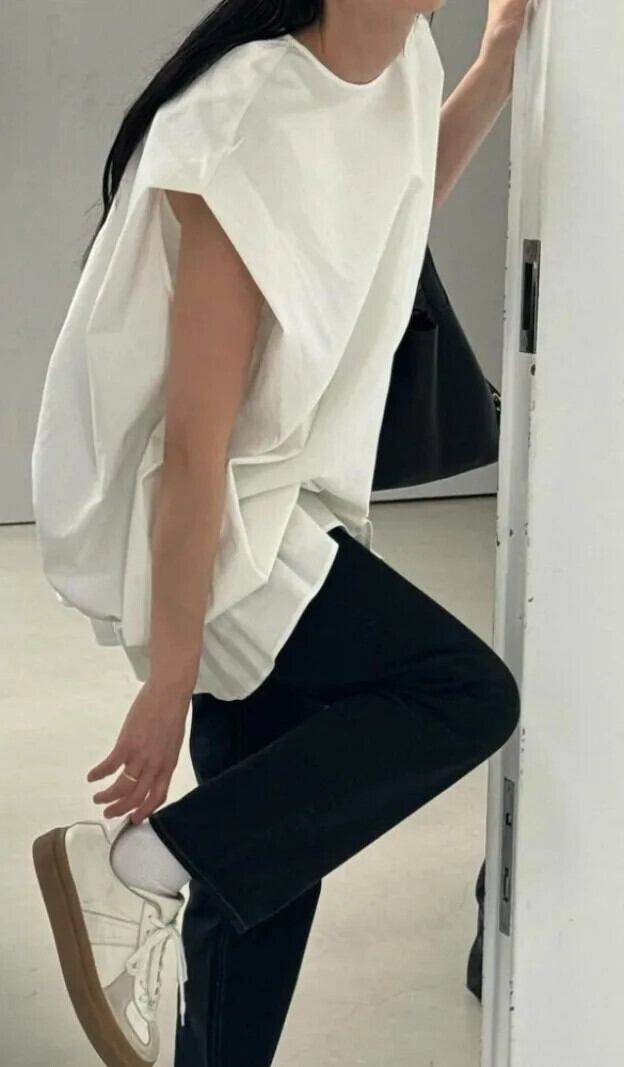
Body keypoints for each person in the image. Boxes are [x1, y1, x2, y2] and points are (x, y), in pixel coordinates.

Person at [30, 2, 530, 1065]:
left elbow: (389, 207)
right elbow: (192, 444)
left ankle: (174, 895)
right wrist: (168, 681)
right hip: (213, 525)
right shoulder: (238, 124)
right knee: (463, 694)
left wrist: (492, 68)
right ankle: (132, 867)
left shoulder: (402, 58)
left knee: (261, 872)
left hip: (285, 498)